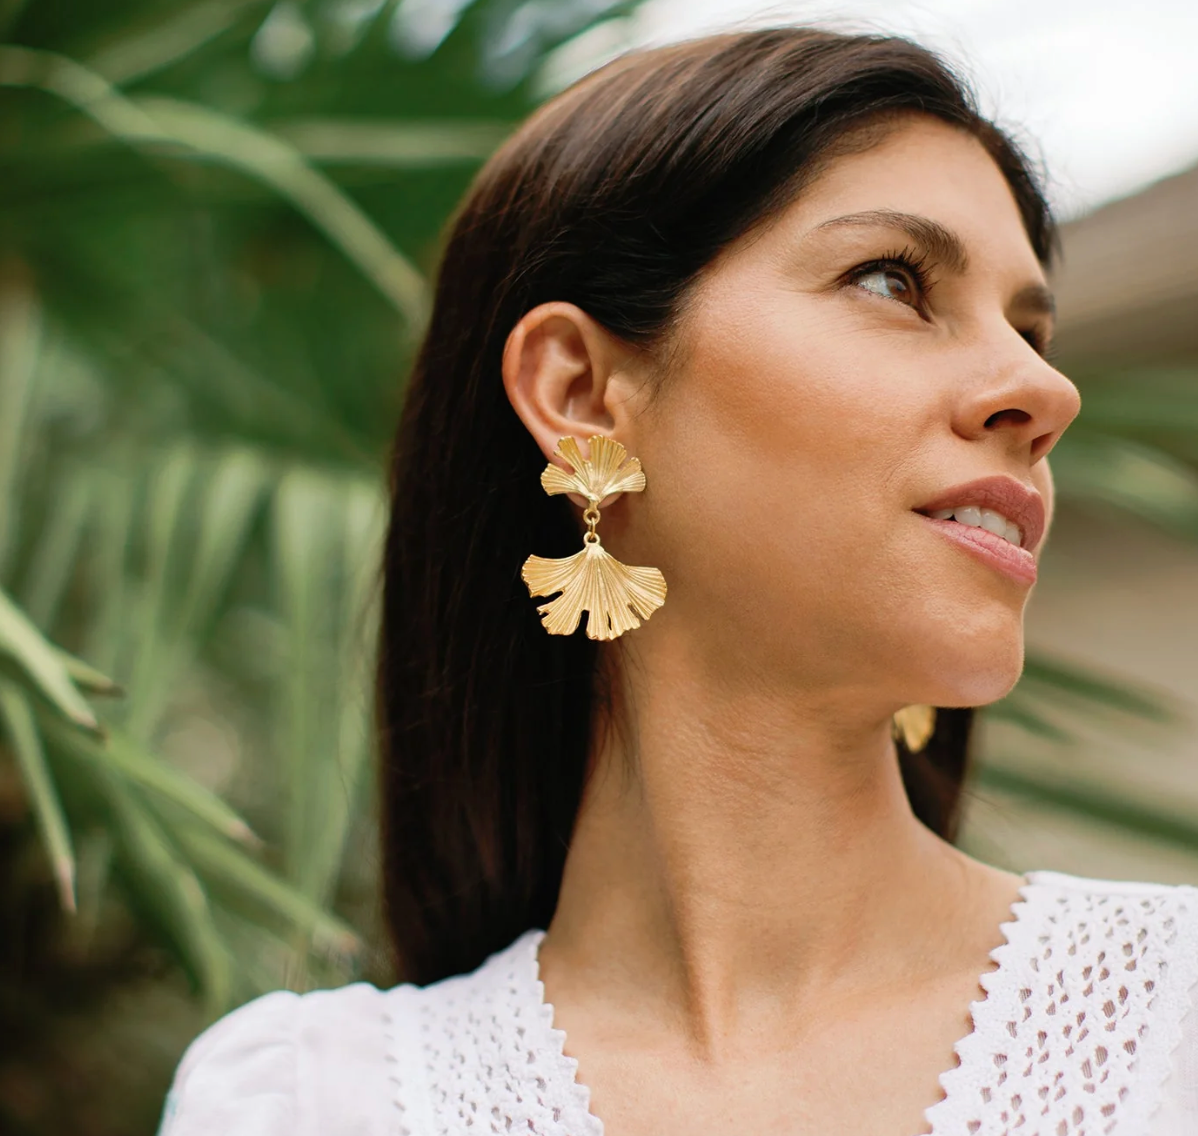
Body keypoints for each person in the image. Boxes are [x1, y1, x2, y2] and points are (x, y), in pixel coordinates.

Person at [157, 25, 1198, 1136]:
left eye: (1031, 327)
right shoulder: (307, 1101)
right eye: (892, 279)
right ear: (582, 392)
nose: (1043, 388)